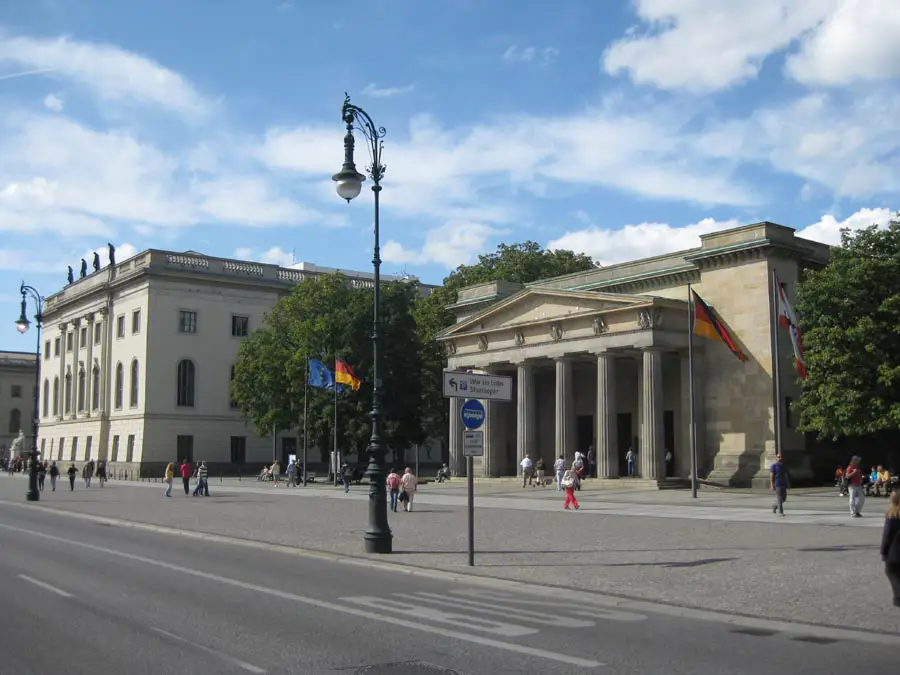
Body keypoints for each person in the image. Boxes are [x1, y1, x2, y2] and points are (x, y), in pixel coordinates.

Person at [880, 491, 900, 608]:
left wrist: (883, 552)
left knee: (892, 573)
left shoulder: (892, 515)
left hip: (895, 554)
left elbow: (887, 535)